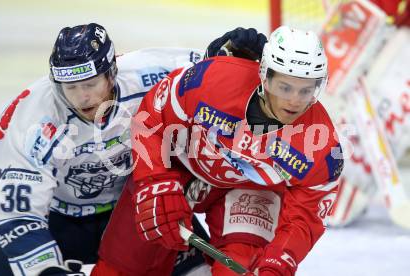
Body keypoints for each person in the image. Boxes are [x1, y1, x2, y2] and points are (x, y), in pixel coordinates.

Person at [0, 23, 266, 276]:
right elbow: (17, 213)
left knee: (202, 272)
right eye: (71, 87)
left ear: (112, 72)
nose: (82, 96)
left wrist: (235, 62)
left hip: (134, 209)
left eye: (90, 84)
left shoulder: (147, 73)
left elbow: (207, 75)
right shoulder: (31, 119)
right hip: (60, 220)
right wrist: (46, 271)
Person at [92, 26, 344, 276]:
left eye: (306, 90)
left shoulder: (322, 145)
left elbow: (305, 217)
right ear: (265, 76)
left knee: (242, 268)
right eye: (285, 87)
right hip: (181, 167)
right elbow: (152, 118)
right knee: (120, 267)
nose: (295, 101)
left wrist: (280, 261)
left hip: (249, 188)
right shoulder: (214, 80)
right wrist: (155, 180)